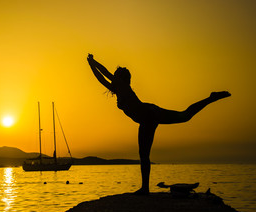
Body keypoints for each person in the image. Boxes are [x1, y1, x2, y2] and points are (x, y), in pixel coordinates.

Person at [87, 54, 231, 195]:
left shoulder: (122, 87)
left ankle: (144, 188)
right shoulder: (119, 89)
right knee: (183, 117)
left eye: (116, 75)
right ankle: (210, 98)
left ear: (121, 78)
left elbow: (104, 74)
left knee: (180, 120)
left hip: (149, 115)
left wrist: (93, 63)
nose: (113, 76)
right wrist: (92, 64)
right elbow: (103, 76)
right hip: (148, 115)